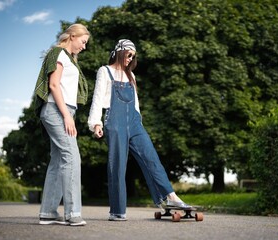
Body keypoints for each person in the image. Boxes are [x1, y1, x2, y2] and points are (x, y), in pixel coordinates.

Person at [88, 39, 191, 221]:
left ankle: (170, 197)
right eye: (129, 55)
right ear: (120, 51)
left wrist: (139, 123)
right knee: (117, 166)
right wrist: (96, 123)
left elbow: (135, 105)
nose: (130, 59)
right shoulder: (105, 71)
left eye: (133, 56)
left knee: (151, 158)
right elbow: (97, 98)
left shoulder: (131, 76)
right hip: (115, 121)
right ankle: (117, 211)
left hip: (135, 123)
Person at [33, 23, 90, 226]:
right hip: (57, 110)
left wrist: (68, 114)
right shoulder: (58, 53)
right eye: (83, 42)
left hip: (63, 110)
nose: (84, 47)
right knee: (72, 157)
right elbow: (54, 85)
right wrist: (66, 116)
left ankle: (48, 212)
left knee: (58, 161)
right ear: (73, 36)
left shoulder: (69, 59)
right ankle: (73, 213)